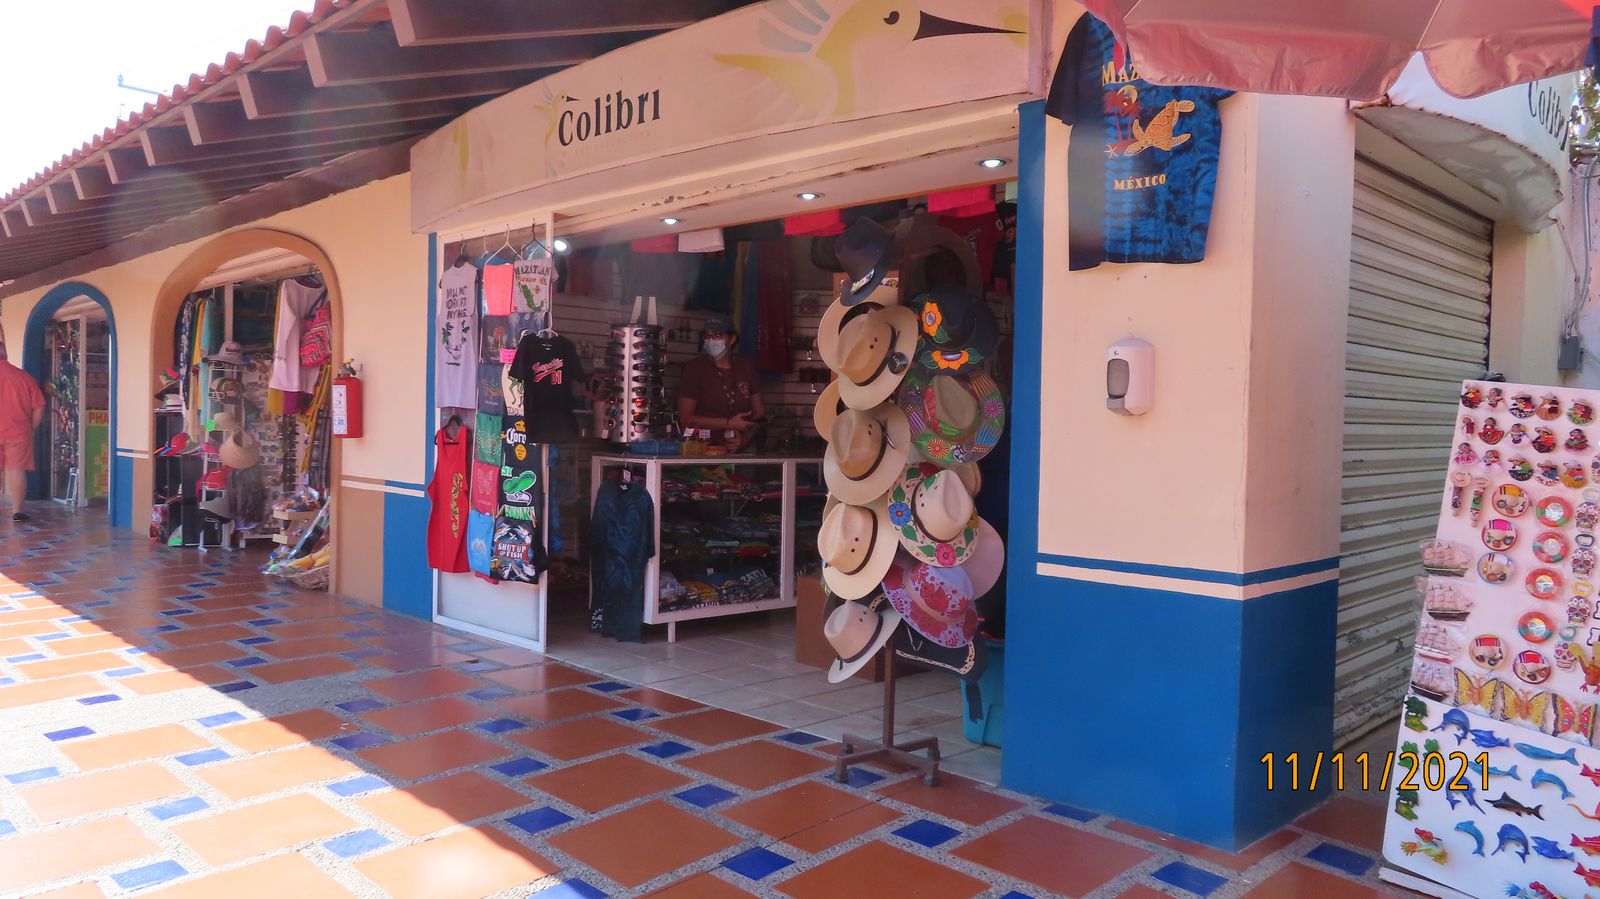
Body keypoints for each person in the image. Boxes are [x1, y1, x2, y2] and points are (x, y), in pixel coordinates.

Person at [676, 317, 765, 453]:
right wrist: (730, 423)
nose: (711, 340)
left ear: (732, 339)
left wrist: (744, 439)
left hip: (744, 449)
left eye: (717, 335)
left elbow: (759, 413)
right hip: (704, 449)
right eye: (707, 336)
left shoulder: (747, 367)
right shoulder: (695, 369)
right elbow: (685, 418)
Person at [0, 342, 45, 522]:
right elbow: (39, 406)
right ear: (5, 353)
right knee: (17, 471)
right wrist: (30, 427)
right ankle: (17, 511)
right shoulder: (24, 377)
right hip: (18, 432)